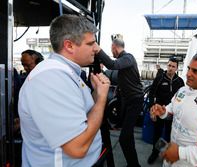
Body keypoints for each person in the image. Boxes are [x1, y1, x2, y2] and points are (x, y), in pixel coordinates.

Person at [18, 14, 110, 167]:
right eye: (91, 43)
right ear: (69, 46)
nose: (96, 48)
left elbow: (82, 114)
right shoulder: (50, 79)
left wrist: (97, 92)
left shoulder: (67, 72)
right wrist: (101, 99)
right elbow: (77, 147)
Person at [95, 34, 143, 167]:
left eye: (111, 49)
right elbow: (113, 74)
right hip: (127, 102)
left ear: (114, 47)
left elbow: (112, 65)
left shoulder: (128, 58)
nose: (111, 52)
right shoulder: (124, 63)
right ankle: (133, 164)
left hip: (135, 101)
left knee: (124, 138)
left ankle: (134, 165)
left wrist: (97, 50)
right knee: (127, 136)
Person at [147, 57, 184, 164]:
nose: (170, 68)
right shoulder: (159, 78)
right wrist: (152, 109)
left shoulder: (180, 82)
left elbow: (183, 98)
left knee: (169, 135)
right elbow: (151, 94)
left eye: (173, 66)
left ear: (177, 68)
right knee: (157, 134)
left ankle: (167, 154)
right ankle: (155, 153)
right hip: (160, 112)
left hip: (172, 114)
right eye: (169, 65)